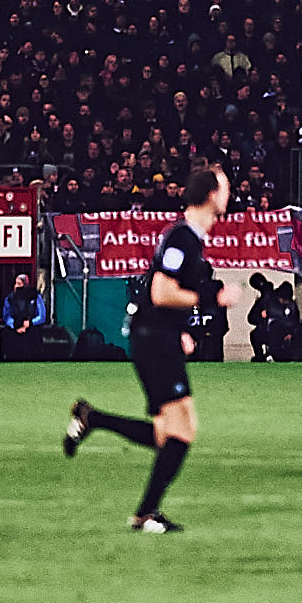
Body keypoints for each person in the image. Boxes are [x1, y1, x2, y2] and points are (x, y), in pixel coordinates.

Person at [62, 162, 242, 533]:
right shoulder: (183, 238)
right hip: (154, 340)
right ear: (211, 194)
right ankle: (146, 513)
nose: (229, 192)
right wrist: (212, 298)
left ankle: (93, 419)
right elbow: (161, 292)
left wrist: (181, 330)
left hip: (160, 337)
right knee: (183, 430)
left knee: (166, 433)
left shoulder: (189, 238)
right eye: (225, 186)